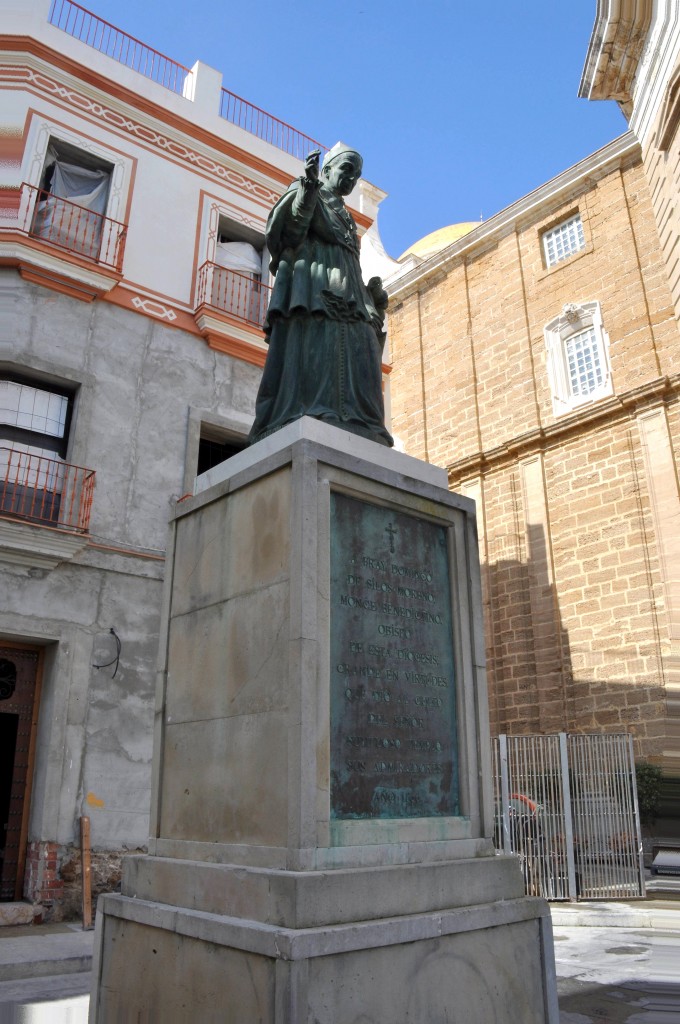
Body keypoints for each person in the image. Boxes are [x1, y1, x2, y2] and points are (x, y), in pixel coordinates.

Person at [248, 143, 393, 447]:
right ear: (327, 170)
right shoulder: (306, 189)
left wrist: (370, 295)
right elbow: (290, 232)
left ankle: (361, 420)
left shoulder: (346, 215)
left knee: (365, 348)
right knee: (320, 347)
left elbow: (349, 258)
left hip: (351, 292)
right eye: (346, 170)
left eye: (356, 176)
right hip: (315, 287)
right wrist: (309, 187)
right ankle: (314, 409)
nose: (351, 179)